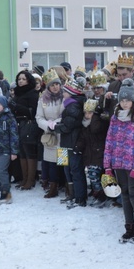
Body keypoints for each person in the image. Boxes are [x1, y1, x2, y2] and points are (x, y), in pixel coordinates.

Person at [103, 79, 134, 244]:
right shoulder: (115, 118)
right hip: (118, 162)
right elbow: (109, 141)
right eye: (122, 101)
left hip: (133, 164)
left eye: (127, 100)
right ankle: (129, 227)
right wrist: (107, 165)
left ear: (133, 101)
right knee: (124, 194)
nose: (124, 104)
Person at [55, 78, 87, 208]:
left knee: (75, 170)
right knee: (66, 169)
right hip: (65, 142)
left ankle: (80, 198)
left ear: (71, 93)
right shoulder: (68, 104)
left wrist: (55, 127)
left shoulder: (73, 105)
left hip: (71, 143)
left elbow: (69, 125)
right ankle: (71, 194)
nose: (63, 94)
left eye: (65, 91)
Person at [8, 70, 40, 191]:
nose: (20, 81)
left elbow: (32, 111)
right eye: (19, 79)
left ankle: (30, 180)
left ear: (28, 80)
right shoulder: (17, 93)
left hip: (29, 124)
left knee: (29, 152)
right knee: (21, 152)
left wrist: (16, 106)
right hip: (18, 124)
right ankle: (24, 178)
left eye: (23, 79)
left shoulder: (33, 93)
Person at [35, 69, 65, 198]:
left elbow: (65, 114)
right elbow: (39, 117)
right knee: (51, 162)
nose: (55, 87)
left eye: (57, 84)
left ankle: (65, 184)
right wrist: (48, 125)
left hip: (62, 133)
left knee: (63, 161)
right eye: (52, 85)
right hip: (49, 135)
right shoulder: (43, 100)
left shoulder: (64, 97)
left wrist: (56, 123)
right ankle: (53, 187)